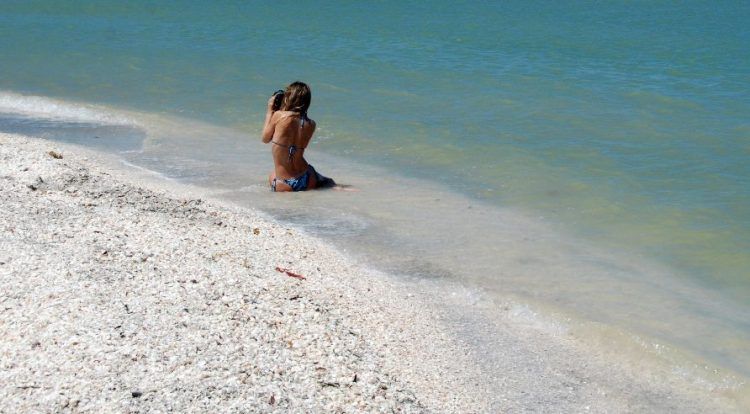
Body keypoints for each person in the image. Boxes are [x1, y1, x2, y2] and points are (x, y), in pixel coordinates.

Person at [262, 81, 335, 192]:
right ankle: (327, 183)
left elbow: (265, 138)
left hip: (283, 183)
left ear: (288, 98)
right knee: (309, 170)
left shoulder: (279, 116)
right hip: (308, 178)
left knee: (272, 175)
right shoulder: (311, 124)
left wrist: (270, 111)